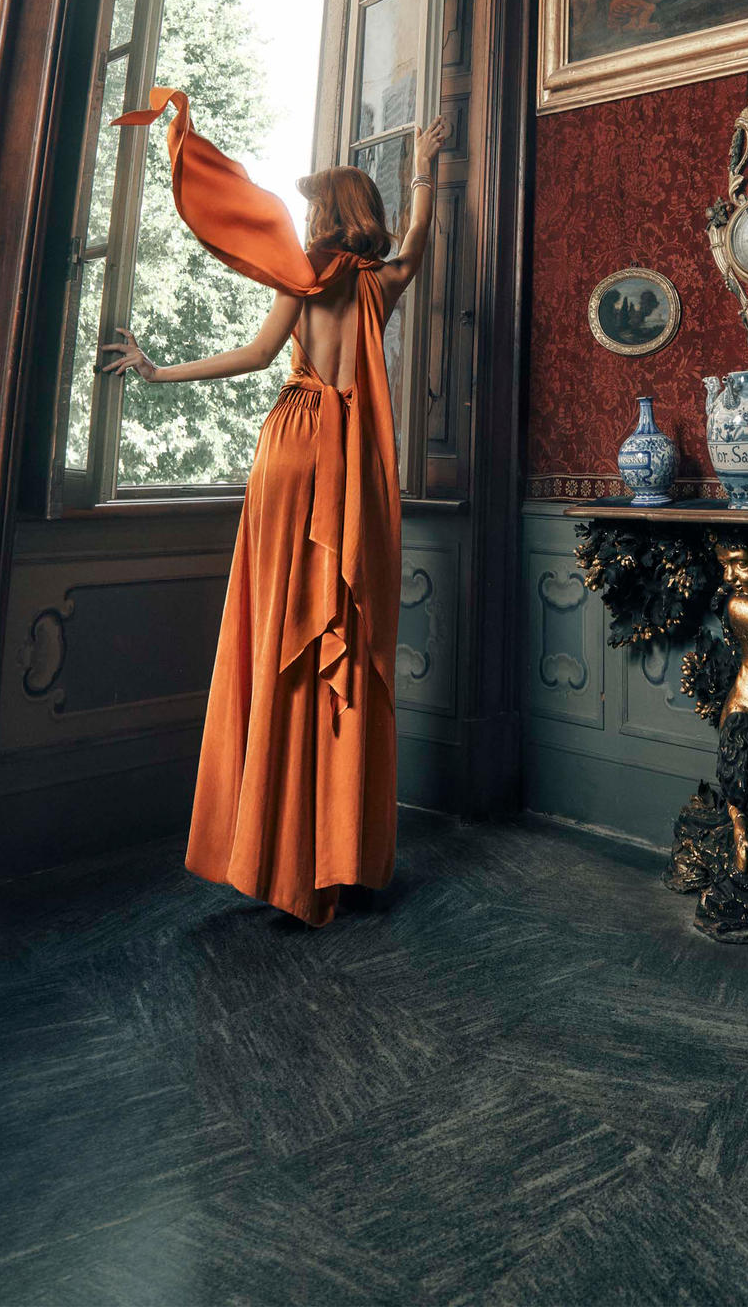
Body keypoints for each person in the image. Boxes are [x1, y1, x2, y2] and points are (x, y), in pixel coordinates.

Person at [99, 89, 450, 926]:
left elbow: (257, 356)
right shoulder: (383, 280)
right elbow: (417, 242)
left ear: (326, 215)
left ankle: (275, 844)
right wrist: (431, 171)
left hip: (293, 446)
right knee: (342, 629)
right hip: (352, 461)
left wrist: (157, 373)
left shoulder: (306, 272)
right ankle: (335, 852)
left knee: (275, 627)